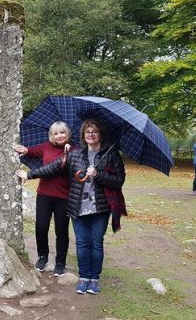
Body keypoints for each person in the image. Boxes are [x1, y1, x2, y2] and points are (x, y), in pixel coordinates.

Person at [16, 119, 125, 295]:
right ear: (83, 135)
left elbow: (119, 181)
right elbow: (54, 167)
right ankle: (83, 278)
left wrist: (99, 174)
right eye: (87, 131)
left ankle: (94, 279)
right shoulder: (75, 153)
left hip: (100, 208)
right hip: (78, 205)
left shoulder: (111, 155)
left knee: (96, 243)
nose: (91, 134)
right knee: (82, 243)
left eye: (94, 131)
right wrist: (30, 174)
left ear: (100, 134)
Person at [13, 121, 72, 276]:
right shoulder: (46, 147)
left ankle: (60, 262)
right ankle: (42, 256)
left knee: (61, 230)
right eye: (56, 133)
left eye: (62, 132)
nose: (59, 136)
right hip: (44, 195)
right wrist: (24, 149)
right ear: (51, 136)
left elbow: (56, 169)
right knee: (41, 227)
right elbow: (32, 151)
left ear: (67, 134)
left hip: (64, 197)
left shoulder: (74, 150)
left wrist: (68, 154)